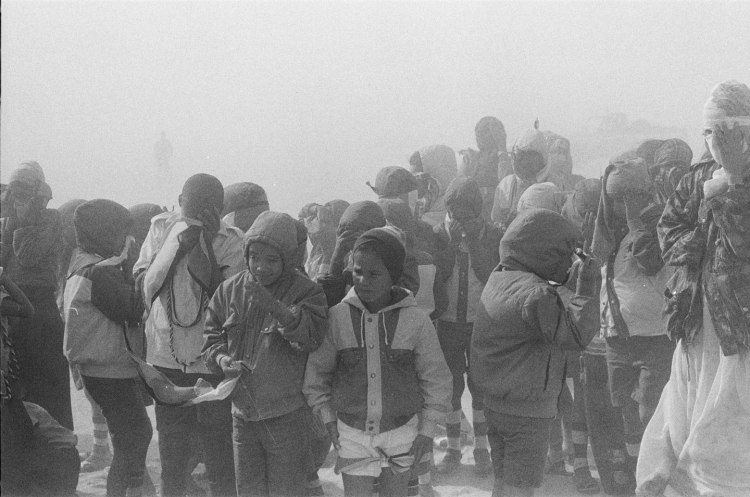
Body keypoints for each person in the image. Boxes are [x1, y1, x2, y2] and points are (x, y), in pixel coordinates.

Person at [637, 80, 750, 496]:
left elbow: (744, 243)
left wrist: (735, 184)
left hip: (740, 334)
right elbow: (668, 235)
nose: (713, 142)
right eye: (708, 132)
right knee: (685, 417)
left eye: (724, 132)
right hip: (696, 326)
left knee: (731, 434)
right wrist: (707, 209)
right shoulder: (697, 178)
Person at [304, 228, 452, 497]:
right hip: (351, 434)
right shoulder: (337, 318)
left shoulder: (416, 320)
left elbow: (436, 378)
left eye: (374, 274)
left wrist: (428, 431)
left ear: (393, 275)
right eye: (358, 272)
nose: (364, 281)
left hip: (402, 433)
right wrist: (327, 419)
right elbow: (317, 375)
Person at [471, 208, 601, 497]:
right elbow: (575, 335)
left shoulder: (500, 278)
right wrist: (588, 284)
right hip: (528, 414)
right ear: (545, 254)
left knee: (503, 482)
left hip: (496, 405)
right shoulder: (536, 294)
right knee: (522, 490)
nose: (568, 262)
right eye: (563, 255)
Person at [203, 211, 328, 497]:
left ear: (288, 259)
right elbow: (210, 339)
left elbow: (311, 338)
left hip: (288, 417)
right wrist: (222, 360)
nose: (260, 267)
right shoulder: (228, 290)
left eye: (272, 260)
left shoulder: (308, 292)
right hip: (242, 416)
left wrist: (276, 308)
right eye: (254, 257)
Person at [134, 173, 244, 497]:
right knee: (172, 451)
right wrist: (176, 246)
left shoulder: (231, 240)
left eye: (208, 208)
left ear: (220, 210)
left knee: (218, 453)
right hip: (165, 356)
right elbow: (142, 280)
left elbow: (227, 298)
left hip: (210, 361)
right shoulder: (160, 229)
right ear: (179, 201)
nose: (194, 213)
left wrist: (204, 243)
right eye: (190, 205)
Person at [63, 199, 153, 497]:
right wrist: (138, 270)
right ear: (103, 233)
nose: (125, 242)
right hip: (109, 370)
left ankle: (132, 490)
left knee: (128, 437)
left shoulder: (81, 261)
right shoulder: (100, 271)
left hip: (97, 369)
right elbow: (130, 309)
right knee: (137, 434)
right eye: (120, 235)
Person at [592, 155, 675, 475]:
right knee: (624, 405)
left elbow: (652, 262)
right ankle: (635, 470)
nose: (620, 206)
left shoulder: (659, 222)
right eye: (614, 200)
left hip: (654, 335)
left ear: (644, 194)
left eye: (629, 198)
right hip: (617, 334)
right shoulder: (611, 232)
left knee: (649, 409)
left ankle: (653, 472)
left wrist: (635, 221)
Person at [431, 177, 502, 477]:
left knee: (480, 385)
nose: (460, 222)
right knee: (451, 387)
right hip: (447, 324)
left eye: (468, 217)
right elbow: (438, 275)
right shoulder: (436, 234)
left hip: (480, 322)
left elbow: (491, 275)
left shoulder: (493, 235)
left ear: (479, 212)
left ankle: (482, 448)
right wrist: (450, 243)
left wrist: (474, 242)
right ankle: (454, 447)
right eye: (454, 216)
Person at [0, 161, 73, 429]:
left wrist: (22, 220)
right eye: (14, 194)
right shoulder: (8, 221)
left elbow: (28, 256)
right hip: (14, 313)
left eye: (24, 193)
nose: (18, 200)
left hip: (41, 314)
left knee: (49, 394)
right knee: (18, 393)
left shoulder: (52, 219)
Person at [491, 127, 552, 229]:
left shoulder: (554, 185)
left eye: (531, 158)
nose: (524, 163)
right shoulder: (505, 185)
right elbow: (496, 220)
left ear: (543, 158)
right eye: (521, 157)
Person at [458, 117, 512, 220]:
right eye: (479, 133)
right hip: (473, 219)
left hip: (498, 218)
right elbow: (459, 192)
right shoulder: (470, 159)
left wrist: (502, 150)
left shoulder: (505, 160)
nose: (479, 137)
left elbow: (508, 187)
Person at [299, 199, 350, 282]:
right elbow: (302, 214)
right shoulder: (319, 245)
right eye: (319, 217)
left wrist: (328, 256)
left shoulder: (345, 255)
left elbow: (323, 287)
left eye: (326, 221)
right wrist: (316, 208)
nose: (318, 223)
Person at [408, 144, 458, 228]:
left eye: (420, 177)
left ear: (439, 175)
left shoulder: (459, 210)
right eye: (412, 179)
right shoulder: (410, 209)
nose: (413, 186)